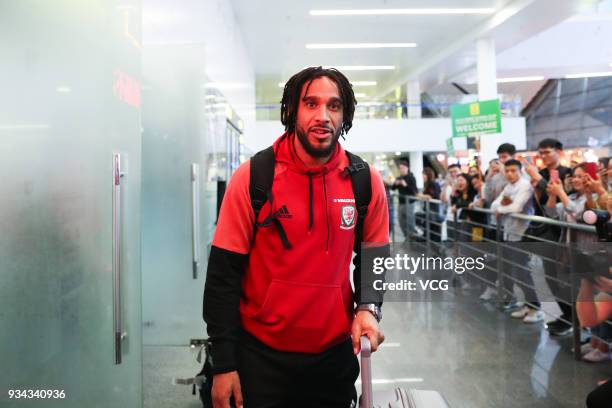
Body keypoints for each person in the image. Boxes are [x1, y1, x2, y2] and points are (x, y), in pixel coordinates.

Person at [203, 67, 389, 408]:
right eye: (311, 104)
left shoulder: (364, 182)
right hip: (259, 358)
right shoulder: (253, 178)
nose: (323, 116)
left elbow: (375, 257)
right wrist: (224, 363)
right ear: (290, 111)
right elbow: (222, 279)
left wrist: (368, 309)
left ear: (344, 115)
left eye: (333, 106)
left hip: (333, 358)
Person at [522, 138, 573, 335]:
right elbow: (540, 204)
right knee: (550, 276)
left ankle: (572, 319)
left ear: (558, 151)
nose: (543, 156)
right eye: (540, 153)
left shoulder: (568, 173)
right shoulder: (540, 174)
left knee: (565, 277)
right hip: (546, 232)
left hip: (563, 232)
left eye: (547, 152)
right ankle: (563, 315)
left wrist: (538, 179)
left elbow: (563, 196)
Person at [491, 159, 544, 322]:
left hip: (522, 235)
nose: (510, 174)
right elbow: (493, 205)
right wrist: (502, 208)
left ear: (520, 171)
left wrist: (502, 209)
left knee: (523, 273)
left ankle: (536, 308)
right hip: (508, 233)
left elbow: (517, 207)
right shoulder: (508, 187)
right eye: (507, 171)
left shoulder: (525, 185)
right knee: (515, 272)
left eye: (514, 171)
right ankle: (528, 306)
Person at [390, 160, 418, 241]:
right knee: (401, 221)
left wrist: (405, 185)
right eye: (400, 168)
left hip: (409, 203)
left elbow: (414, 191)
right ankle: (407, 236)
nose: (401, 169)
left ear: (407, 168)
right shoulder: (399, 177)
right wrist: (396, 183)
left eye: (403, 168)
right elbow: (393, 188)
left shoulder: (411, 177)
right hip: (401, 203)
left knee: (410, 221)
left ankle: (412, 238)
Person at [416, 167, 442, 242]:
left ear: (428, 175)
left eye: (424, 174)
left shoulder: (433, 184)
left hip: (433, 211)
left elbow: (431, 196)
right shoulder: (427, 184)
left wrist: (421, 196)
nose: (422, 176)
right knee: (429, 231)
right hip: (429, 211)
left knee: (434, 232)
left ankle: (435, 250)